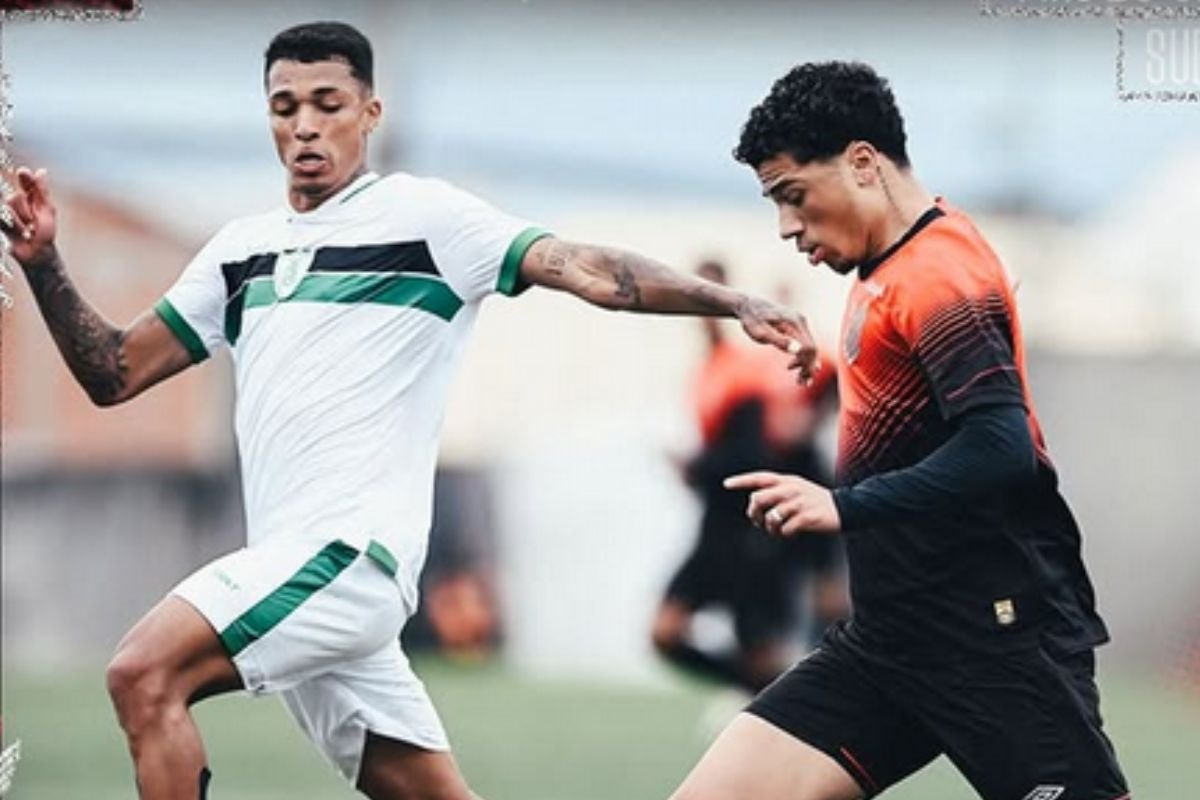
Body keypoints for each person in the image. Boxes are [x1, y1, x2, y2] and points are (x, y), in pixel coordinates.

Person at [0, 22, 817, 800]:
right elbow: (113, 373)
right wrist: (42, 262)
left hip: (346, 559)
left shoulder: (429, 221)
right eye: (285, 107)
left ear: (370, 113)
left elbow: (589, 269)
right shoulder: (238, 252)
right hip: (296, 571)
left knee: (142, 673)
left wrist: (730, 300)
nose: (305, 125)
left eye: (328, 103)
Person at [668, 62, 1129, 800]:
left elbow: (1000, 448)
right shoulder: (886, 270)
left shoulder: (940, 273)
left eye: (793, 196)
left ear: (862, 163)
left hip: (992, 641)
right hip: (887, 645)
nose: (787, 227)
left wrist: (840, 504)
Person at [651, 261, 843, 694]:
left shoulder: (752, 372)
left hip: (755, 532)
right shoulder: (712, 371)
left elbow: (755, 456)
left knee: (765, 651)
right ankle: (754, 692)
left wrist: (697, 467)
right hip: (718, 527)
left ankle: (773, 700)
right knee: (666, 632)